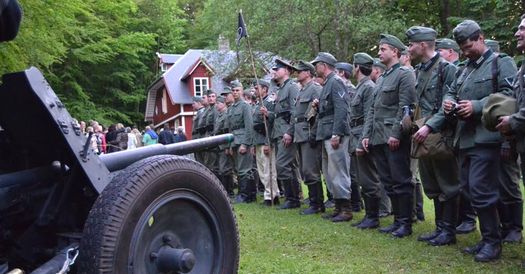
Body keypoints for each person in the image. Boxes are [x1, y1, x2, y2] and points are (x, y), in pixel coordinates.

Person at [444, 19, 516, 262]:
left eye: (468, 46)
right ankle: (487, 237)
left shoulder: (501, 63)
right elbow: (452, 89)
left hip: (487, 137)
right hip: (464, 139)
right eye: (462, 49)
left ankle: (493, 243)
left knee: (481, 189)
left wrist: (475, 106)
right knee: (469, 189)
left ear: (481, 38)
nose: (465, 52)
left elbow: (509, 96)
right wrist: (450, 102)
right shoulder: (465, 68)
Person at [407, 26, 461, 246]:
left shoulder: (447, 69)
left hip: (440, 135)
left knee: (448, 183)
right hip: (423, 133)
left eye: (411, 44)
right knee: (432, 184)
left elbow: (448, 104)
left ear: (423, 45)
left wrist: (429, 126)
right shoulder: (421, 70)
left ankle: (449, 231)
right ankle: (440, 228)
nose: (408, 49)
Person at [362, 34, 416, 238]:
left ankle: (405, 222)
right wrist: (366, 135)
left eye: (383, 49)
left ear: (395, 51)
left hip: (393, 138)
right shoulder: (382, 77)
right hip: (378, 137)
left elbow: (406, 108)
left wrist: (397, 134)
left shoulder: (404, 74)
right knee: (387, 181)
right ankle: (397, 220)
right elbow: (373, 110)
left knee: (401, 180)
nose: (379, 52)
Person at [497, 14, 525, 266]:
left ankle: (514, 226)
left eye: (522, 29)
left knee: (510, 184)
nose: (517, 33)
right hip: (518, 140)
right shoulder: (521, 68)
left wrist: (512, 122)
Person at [311, 52, 352, 222]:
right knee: (330, 172)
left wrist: (337, 133)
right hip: (326, 133)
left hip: (334, 134)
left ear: (324, 65)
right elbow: (330, 108)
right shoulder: (328, 83)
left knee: (338, 171)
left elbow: (342, 109)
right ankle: (338, 206)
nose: (315, 67)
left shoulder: (335, 82)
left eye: (317, 64)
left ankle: (346, 209)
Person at [350, 52, 382, 229]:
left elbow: (370, 115)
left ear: (357, 67)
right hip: (356, 134)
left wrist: (364, 138)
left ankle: (373, 216)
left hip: (363, 135)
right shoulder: (361, 87)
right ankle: (369, 215)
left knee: (369, 178)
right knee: (363, 177)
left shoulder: (368, 87)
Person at [290, 60, 324, 214]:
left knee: (311, 170)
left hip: (309, 133)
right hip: (300, 134)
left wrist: (314, 133)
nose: (297, 73)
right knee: (305, 170)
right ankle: (313, 201)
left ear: (308, 73)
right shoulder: (301, 91)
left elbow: (318, 113)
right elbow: (296, 115)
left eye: (300, 71)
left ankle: (317, 204)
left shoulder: (315, 89)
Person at [269, 59, 301, 209]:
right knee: (289, 165)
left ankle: (292, 198)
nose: (275, 71)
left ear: (287, 70)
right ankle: (293, 198)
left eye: (278, 69)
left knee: (281, 164)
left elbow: (295, 112)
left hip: (286, 132)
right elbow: (279, 113)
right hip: (279, 131)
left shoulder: (292, 87)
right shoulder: (280, 89)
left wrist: (290, 132)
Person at [252, 79, 279, 206]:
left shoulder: (269, 102)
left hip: (266, 139)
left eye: (257, 88)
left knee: (269, 170)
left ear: (264, 89)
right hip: (258, 140)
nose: (255, 90)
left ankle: (270, 196)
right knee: (262, 171)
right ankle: (273, 193)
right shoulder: (257, 103)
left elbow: (272, 122)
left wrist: (268, 142)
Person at [228, 80, 256, 203]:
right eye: (233, 91)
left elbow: (249, 126)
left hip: (242, 140)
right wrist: (229, 145)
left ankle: (245, 195)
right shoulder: (231, 108)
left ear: (241, 90)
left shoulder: (245, 106)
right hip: (234, 140)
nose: (235, 93)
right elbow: (230, 129)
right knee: (239, 169)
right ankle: (245, 194)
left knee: (245, 169)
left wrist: (246, 143)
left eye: (237, 90)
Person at [214, 94, 235, 197]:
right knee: (222, 168)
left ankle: (229, 192)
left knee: (225, 169)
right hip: (219, 145)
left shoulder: (226, 114)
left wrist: (227, 146)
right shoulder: (219, 116)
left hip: (224, 144)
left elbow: (227, 131)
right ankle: (225, 191)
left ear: (223, 104)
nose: (216, 105)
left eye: (218, 103)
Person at [191, 96, 206, 163]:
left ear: (199, 103)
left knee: (200, 160)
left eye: (194, 103)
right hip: (196, 138)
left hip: (199, 138)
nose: (192, 105)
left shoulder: (201, 112)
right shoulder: (199, 112)